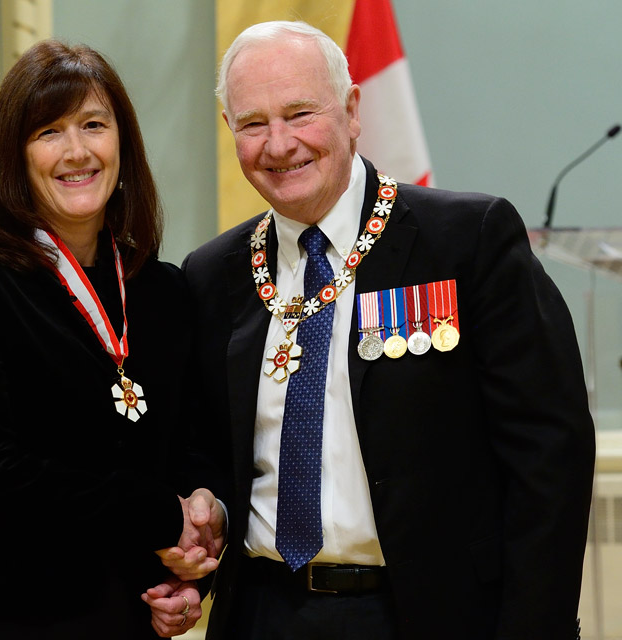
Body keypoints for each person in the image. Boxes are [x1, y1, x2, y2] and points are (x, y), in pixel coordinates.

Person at [180, 20, 595, 640]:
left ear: (350, 111)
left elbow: (550, 453)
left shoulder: (465, 241)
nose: (279, 143)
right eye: (253, 123)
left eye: (299, 113)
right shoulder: (212, 276)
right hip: (263, 614)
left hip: (429, 615)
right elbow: (208, 456)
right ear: (230, 133)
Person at [0, 40, 222, 639]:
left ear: (122, 144)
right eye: (48, 131)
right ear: (14, 156)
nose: (76, 151)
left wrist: (192, 575)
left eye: (94, 125)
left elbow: (193, 445)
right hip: (1, 613)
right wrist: (161, 516)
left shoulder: (165, 289)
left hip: (131, 611)